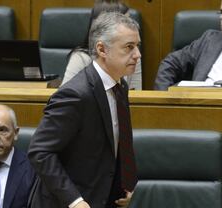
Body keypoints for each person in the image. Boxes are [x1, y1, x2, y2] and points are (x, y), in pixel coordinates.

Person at [28, 12, 140, 208]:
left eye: (137, 46)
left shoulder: (119, 85)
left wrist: (128, 185)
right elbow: (40, 152)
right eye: (129, 47)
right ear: (102, 49)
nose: (138, 54)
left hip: (103, 196)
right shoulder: (75, 94)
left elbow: (117, 143)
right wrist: (75, 201)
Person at [61, 1, 142, 90]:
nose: (130, 25)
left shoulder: (133, 58)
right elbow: (66, 93)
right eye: (124, 20)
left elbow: (135, 96)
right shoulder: (81, 58)